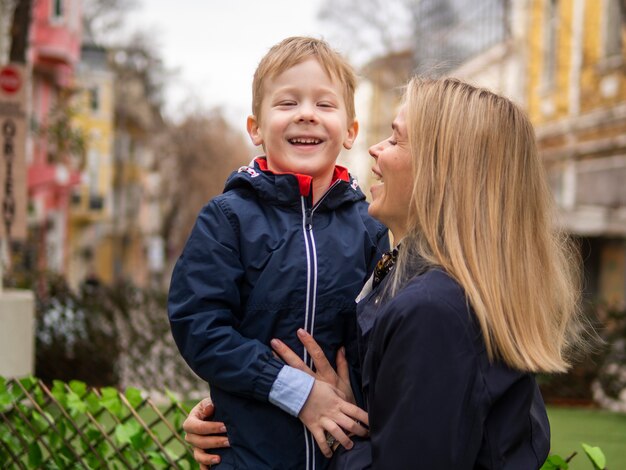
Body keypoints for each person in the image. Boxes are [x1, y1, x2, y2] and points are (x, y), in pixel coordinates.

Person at [183, 77, 587, 469]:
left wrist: (340, 431)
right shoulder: (434, 283)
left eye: (395, 139)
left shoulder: (434, 310)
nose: (375, 149)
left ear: (441, 171)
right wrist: (247, 415)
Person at [168, 36, 389, 470]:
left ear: (350, 131)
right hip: (248, 457)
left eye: (324, 105)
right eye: (287, 103)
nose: (306, 113)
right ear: (255, 127)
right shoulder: (227, 218)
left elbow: (378, 344)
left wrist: (351, 399)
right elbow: (199, 325)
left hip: (343, 454)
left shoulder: (370, 228)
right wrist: (294, 389)